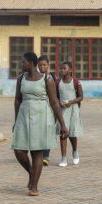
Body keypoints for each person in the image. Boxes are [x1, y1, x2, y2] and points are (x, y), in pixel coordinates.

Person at [11, 52, 68, 196]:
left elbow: (54, 102)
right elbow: (17, 99)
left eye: (22, 62)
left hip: (42, 116)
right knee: (19, 150)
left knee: (37, 152)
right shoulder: (21, 78)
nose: (20, 64)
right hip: (24, 116)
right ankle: (31, 172)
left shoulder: (46, 79)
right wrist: (16, 119)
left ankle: (34, 185)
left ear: (30, 63)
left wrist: (62, 124)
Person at [56, 61, 84, 166]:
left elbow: (81, 97)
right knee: (63, 133)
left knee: (72, 133)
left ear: (71, 70)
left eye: (65, 68)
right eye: (61, 68)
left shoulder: (76, 82)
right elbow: (55, 97)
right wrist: (59, 102)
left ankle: (75, 151)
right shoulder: (58, 82)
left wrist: (71, 102)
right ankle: (63, 158)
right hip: (62, 110)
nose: (62, 70)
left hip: (73, 109)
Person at [37, 56, 59, 165]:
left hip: (50, 109)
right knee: (39, 132)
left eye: (44, 65)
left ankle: (46, 156)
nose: (42, 67)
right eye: (40, 65)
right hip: (38, 110)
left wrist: (56, 112)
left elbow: (55, 97)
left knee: (48, 132)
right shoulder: (35, 78)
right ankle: (39, 154)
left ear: (48, 65)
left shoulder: (52, 78)